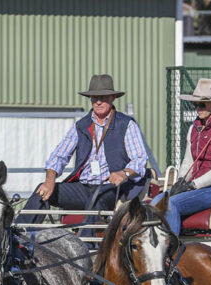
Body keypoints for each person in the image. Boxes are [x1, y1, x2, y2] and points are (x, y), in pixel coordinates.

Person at [16, 74, 148, 226]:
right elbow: (59, 156)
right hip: (83, 187)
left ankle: (86, 240)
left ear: (113, 98)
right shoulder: (81, 125)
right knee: (42, 191)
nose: (98, 102)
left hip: (113, 189)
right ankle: (19, 234)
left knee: (96, 200)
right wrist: (49, 180)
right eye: (94, 97)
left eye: (103, 97)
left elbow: (140, 159)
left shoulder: (126, 124)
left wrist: (123, 173)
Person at [151, 78, 211, 236]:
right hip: (196, 185)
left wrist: (193, 185)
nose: (197, 108)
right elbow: (188, 161)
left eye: (202, 104)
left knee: (170, 204)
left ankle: (171, 247)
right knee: (155, 202)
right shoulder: (194, 128)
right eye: (195, 104)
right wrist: (181, 180)